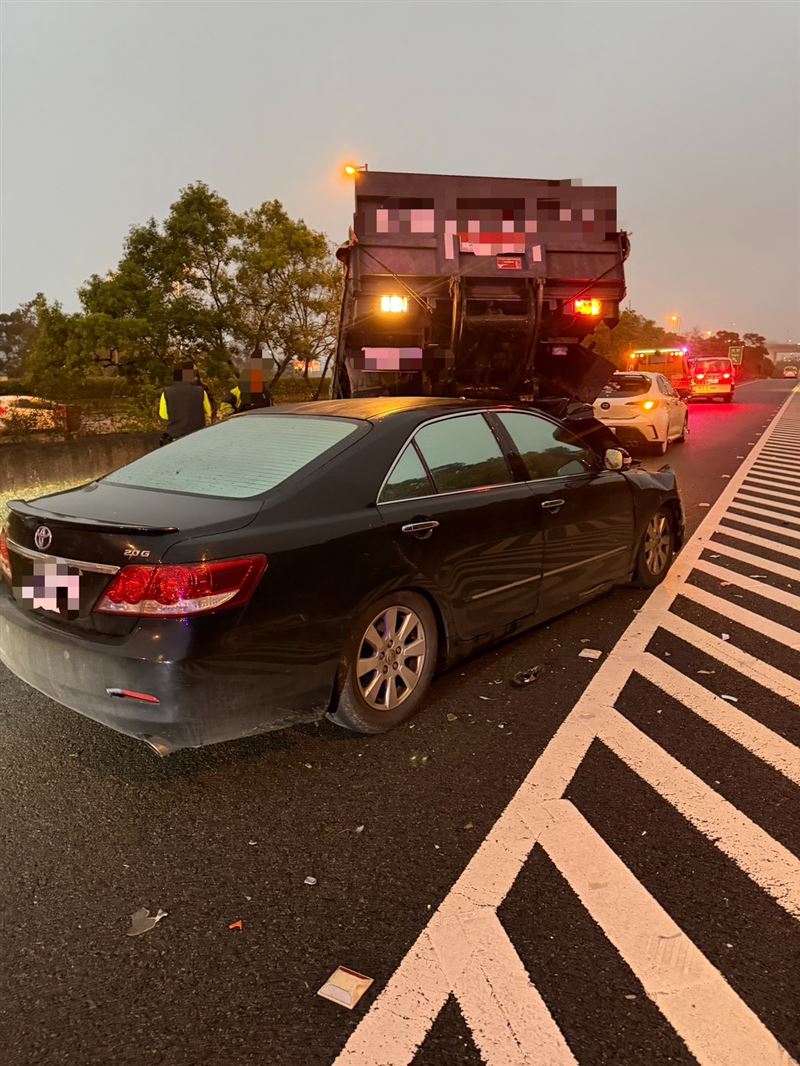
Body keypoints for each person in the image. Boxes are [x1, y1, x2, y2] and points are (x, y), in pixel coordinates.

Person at [158, 364, 211, 444]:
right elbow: (208, 412)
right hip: (198, 436)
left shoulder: (166, 393)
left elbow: (163, 415)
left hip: (175, 437)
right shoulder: (201, 391)